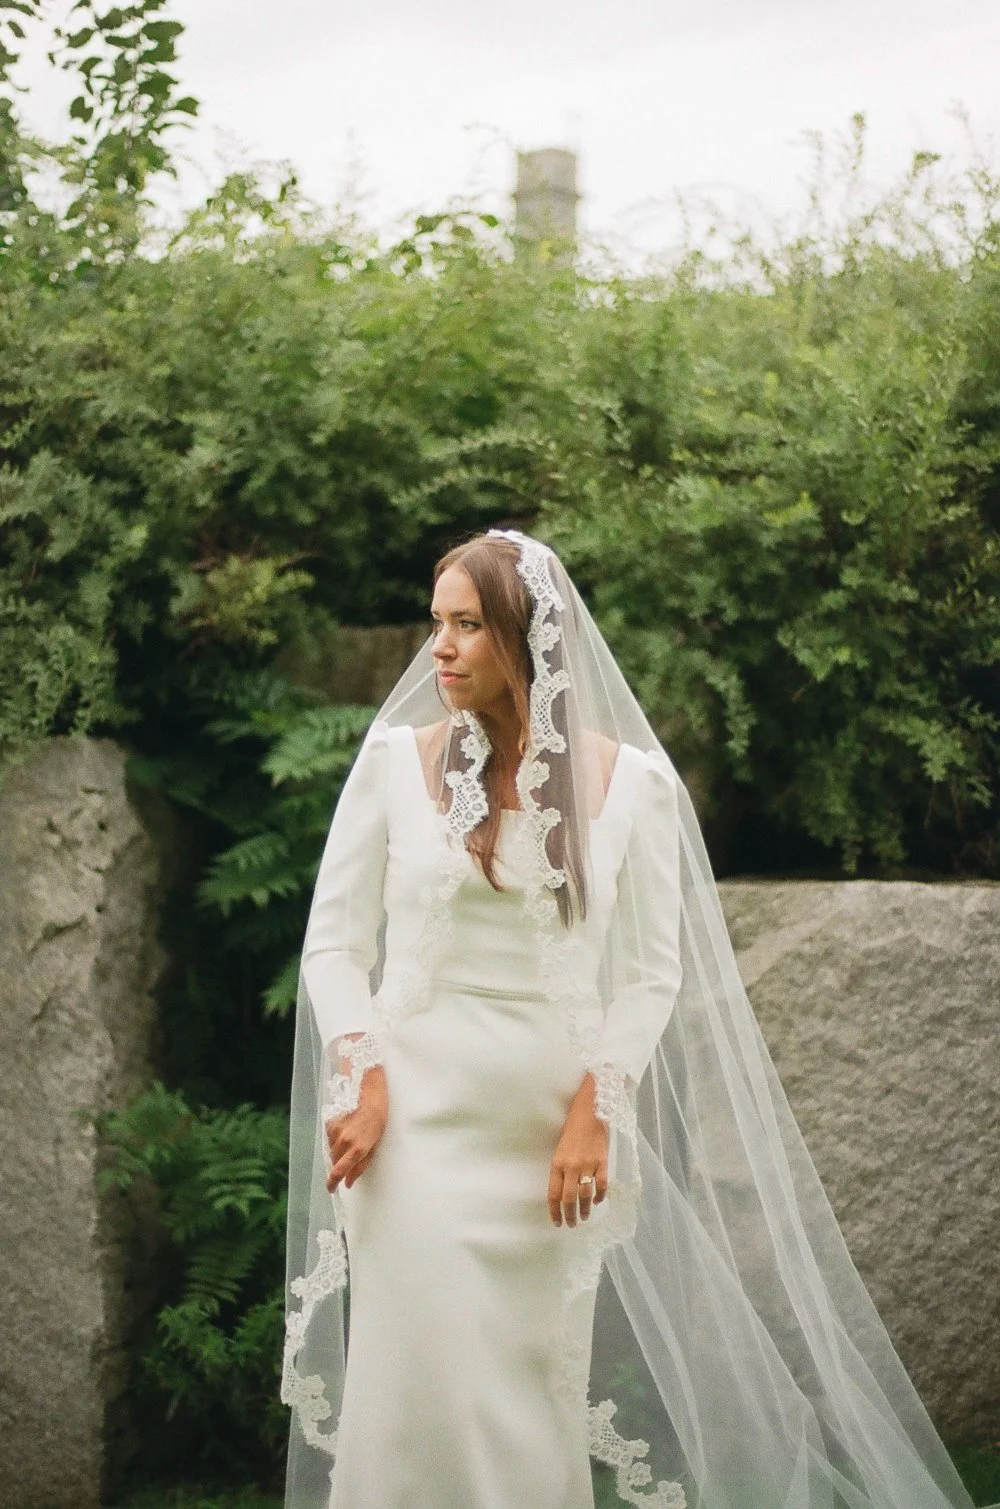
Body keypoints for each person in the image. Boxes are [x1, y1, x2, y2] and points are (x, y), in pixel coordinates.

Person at [282, 530, 992, 1509]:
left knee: (527, 1387)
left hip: (547, 1142)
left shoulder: (637, 788)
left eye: (466, 625)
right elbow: (332, 944)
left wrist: (595, 1111)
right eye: (436, 622)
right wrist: (360, 1073)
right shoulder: (395, 765)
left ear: (526, 639)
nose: (438, 647)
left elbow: (652, 975)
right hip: (406, 1128)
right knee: (410, 1386)